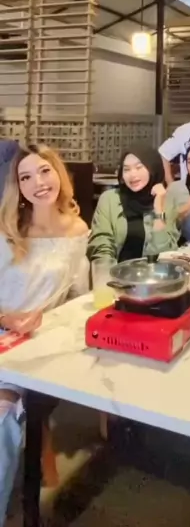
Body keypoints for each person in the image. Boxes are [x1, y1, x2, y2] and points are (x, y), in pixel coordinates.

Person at [0, 144, 89, 525]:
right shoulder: (7, 229)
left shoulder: (77, 230)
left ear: (58, 173)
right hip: (4, 328)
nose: (38, 182)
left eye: (44, 171)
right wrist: (7, 316)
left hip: (36, 345)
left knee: (1, 416)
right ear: (17, 187)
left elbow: (79, 297)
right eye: (26, 177)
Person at [88, 145, 179, 262]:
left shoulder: (166, 201)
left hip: (152, 271)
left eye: (139, 167)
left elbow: (164, 255)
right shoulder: (109, 199)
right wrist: (108, 271)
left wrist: (158, 211)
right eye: (126, 169)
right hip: (115, 270)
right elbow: (101, 247)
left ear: (153, 168)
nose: (132, 174)